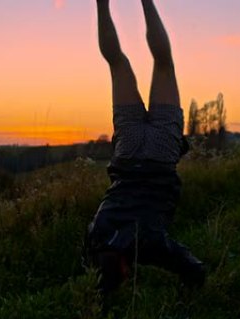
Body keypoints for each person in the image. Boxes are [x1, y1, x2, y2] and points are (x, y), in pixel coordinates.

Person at [83, 0, 205, 293]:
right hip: (129, 150)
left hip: (161, 153)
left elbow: (195, 270)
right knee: (118, 63)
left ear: (125, 271)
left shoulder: (150, 244)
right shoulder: (98, 234)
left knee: (164, 64)